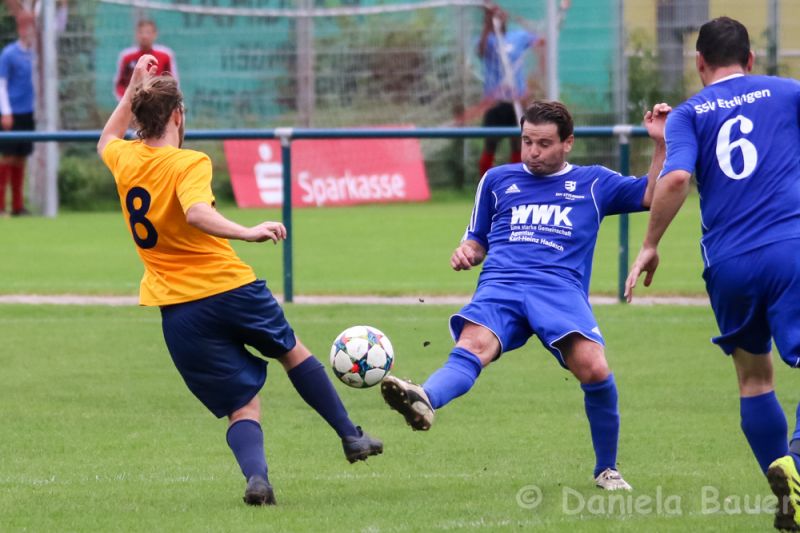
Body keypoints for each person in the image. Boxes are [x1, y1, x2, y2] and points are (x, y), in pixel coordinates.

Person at [97, 55, 382, 506]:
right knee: (291, 351)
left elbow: (106, 138)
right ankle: (350, 435)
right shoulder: (188, 162)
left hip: (178, 311)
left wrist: (133, 86)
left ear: (138, 115)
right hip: (229, 288)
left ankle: (258, 480)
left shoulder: (125, 159)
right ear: (178, 115)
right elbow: (196, 212)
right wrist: (248, 231)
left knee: (242, 405)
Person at [382, 99, 670, 490]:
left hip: (558, 288)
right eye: (527, 141)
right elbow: (477, 240)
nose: (532, 152)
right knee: (473, 346)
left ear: (568, 143)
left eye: (544, 144)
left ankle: (607, 469)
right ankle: (425, 398)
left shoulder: (593, 183)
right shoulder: (497, 180)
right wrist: (467, 251)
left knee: (594, 367)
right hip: (501, 283)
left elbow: (652, 195)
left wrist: (661, 143)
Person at [624, 16, 800, 531]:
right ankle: (797, 462)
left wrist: (650, 245)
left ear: (699, 62)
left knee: (753, 378)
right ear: (751, 59)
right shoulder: (788, 92)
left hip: (728, 264)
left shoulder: (688, 113)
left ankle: (790, 493)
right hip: (791, 247)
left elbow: (677, 176)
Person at [475, 3, 544, 178]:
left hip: (516, 100)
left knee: (518, 143)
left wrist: (526, 23)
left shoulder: (518, 36)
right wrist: (488, 24)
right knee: (490, 144)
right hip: (495, 102)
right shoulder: (489, 40)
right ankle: (484, 183)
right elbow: (481, 51)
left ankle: (516, 182)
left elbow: (540, 41)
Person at [0, 10, 34, 216]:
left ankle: (17, 206)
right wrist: (6, 112)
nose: (27, 29)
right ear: (19, 28)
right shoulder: (9, 53)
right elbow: (1, 84)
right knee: (7, 158)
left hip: (29, 113)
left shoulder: (36, 53)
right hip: (13, 113)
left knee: (21, 158)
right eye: (24, 25)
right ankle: (1, 205)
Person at [113, 19, 178, 101]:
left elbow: (173, 81)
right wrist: (126, 100)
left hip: (158, 103)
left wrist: (165, 100)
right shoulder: (127, 56)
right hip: (133, 102)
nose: (144, 36)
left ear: (155, 34)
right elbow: (119, 84)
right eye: (141, 32)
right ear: (136, 34)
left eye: (148, 32)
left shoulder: (165, 55)